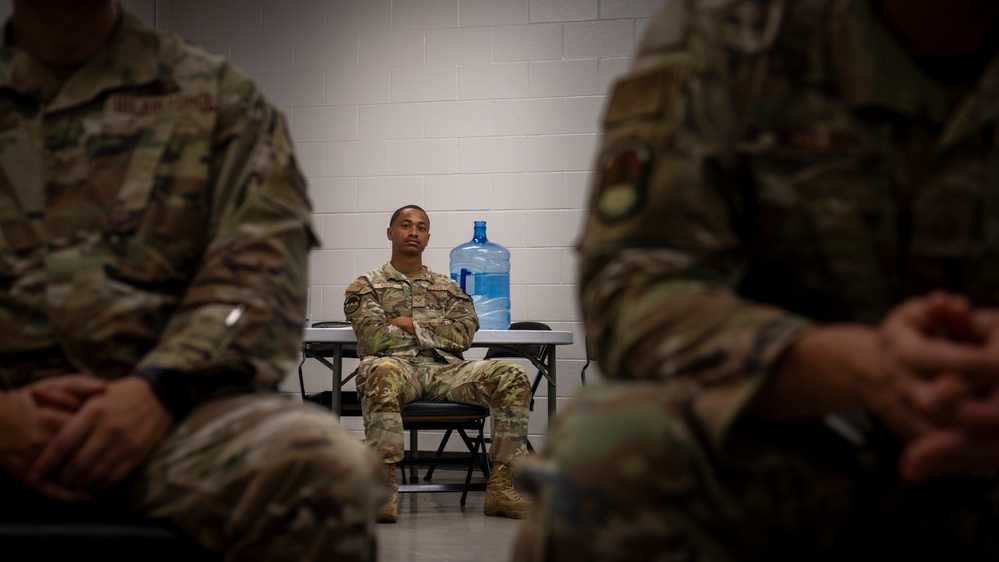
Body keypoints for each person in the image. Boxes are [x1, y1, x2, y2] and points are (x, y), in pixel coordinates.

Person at [513, 0, 999, 560]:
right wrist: (863, 367)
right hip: (802, 442)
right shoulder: (732, 29)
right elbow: (632, 284)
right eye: (407, 225)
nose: (416, 233)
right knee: (611, 447)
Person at [0, 1, 383, 560]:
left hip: (171, 420)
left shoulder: (217, 100)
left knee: (318, 466)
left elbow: (257, 282)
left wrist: (160, 387)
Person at [344, 204, 532, 523]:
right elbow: (374, 339)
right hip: (397, 369)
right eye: (406, 225)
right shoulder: (366, 286)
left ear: (428, 237)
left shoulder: (446, 286)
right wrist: (436, 330)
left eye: (421, 227)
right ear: (391, 233)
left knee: (512, 373)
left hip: (446, 372)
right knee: (382, 371)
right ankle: (383, 488)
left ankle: (501, 488)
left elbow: (465, 333)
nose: (413, 232)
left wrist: (408, 324)